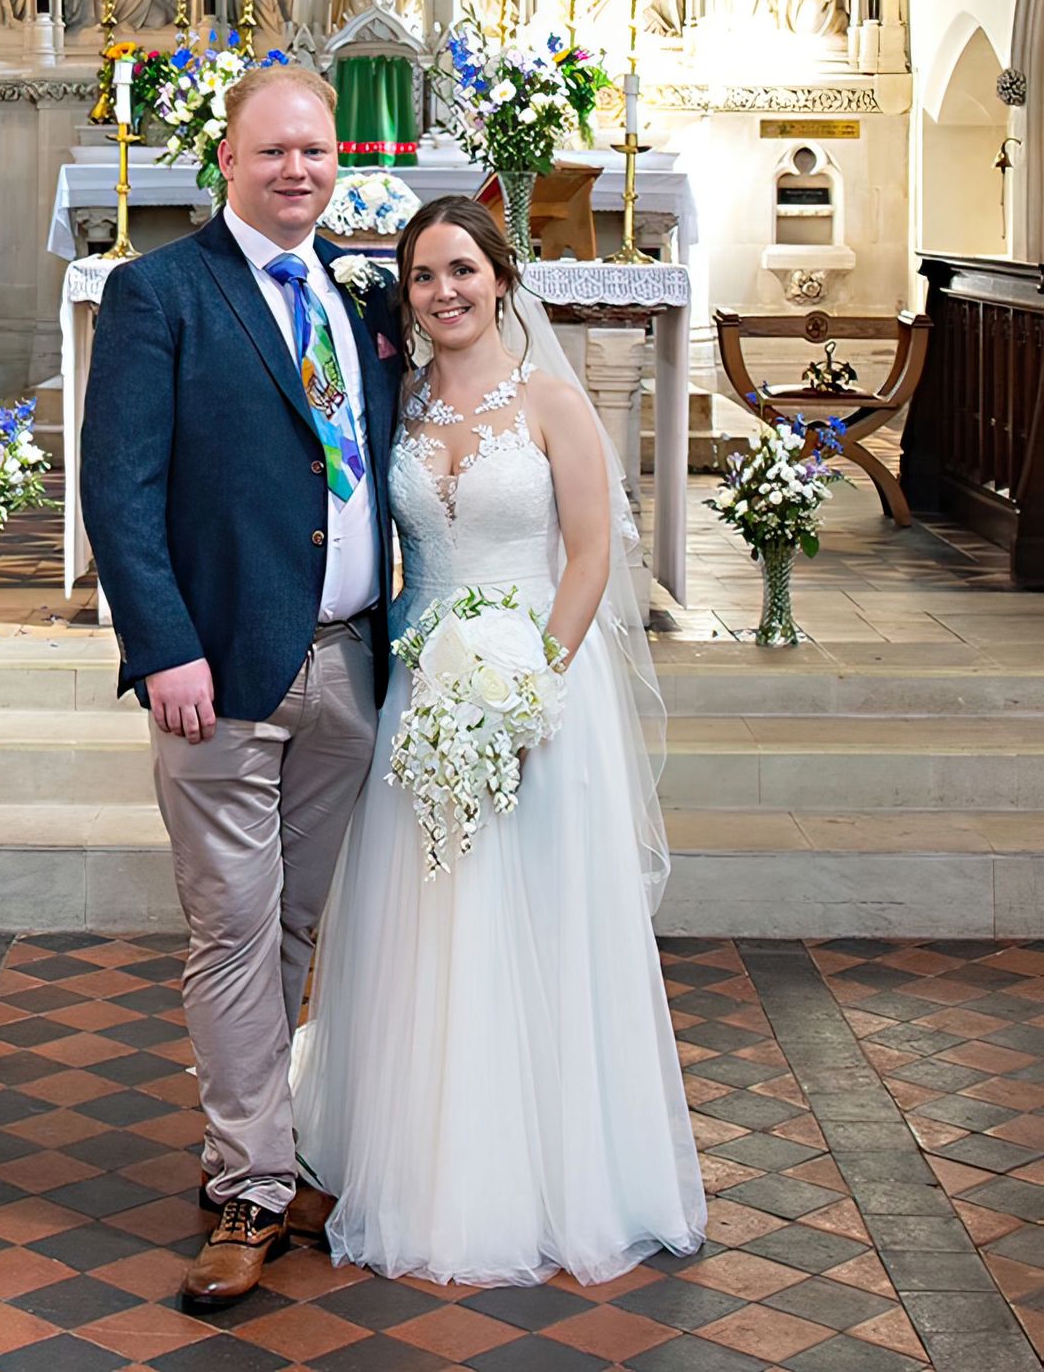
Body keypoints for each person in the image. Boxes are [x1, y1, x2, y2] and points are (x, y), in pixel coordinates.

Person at [290, 196, 706, 1286]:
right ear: (406, 295)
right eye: (423, 276)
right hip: (421, 694)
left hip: (538, 697)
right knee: (426, 929)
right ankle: (425, 1161)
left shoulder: (556, 404)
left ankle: (561, 1167)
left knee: (537, 925)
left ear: (500, 275)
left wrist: (527, 689)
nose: (444, 292)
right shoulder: (397, 403)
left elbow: (586, 558)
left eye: (461, 270)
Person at [80, 65, 402, 1309]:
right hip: (216, 671)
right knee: (229, 932)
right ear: (226, 158)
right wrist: (163, 646)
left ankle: (254, 1154)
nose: (296, 171)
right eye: (272, 152)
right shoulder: (159, 290)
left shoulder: (358, 292)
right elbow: (120, 487)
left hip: (349, 665)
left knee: (293, 929)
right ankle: (248, 1185)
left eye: (314, 151)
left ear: (337, 160)